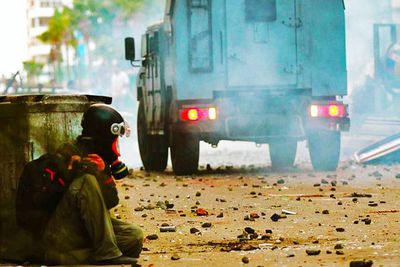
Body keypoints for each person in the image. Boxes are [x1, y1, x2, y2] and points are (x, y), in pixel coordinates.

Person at [33, 104, 143, 265]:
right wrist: (73, 171)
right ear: (105, 135)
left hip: (83, 231)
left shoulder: (97, 157)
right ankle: (105, 253)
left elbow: (111, 202)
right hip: (59, 231)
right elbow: (46, 201)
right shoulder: (68, 152)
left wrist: (103, 172)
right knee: (87, 181)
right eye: (115, 138)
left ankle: (78, 255)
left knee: (134, 236)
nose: (116, 144)